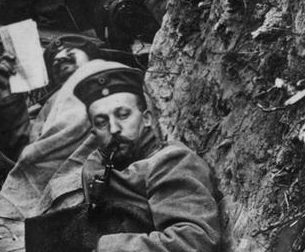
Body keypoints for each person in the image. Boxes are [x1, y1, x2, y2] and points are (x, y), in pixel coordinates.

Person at [29, 67, 221, 252]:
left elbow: (194, 241)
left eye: (123, 115)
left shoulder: (171, 163)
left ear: (146, 119)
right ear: (94, 131)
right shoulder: (100, 164)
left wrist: (100, 246)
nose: (113, 128)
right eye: (102, 122)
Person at [0, 36, 129, 252]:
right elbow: (25, 154)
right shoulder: (46, 107)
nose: (60, 57)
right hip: (45, 189)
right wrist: (6, 90)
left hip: (94, 178)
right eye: (54, 58)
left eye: (70, 49)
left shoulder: (109, 72)